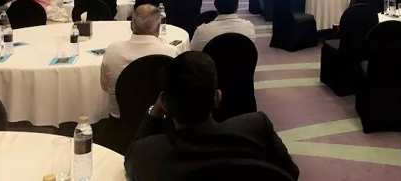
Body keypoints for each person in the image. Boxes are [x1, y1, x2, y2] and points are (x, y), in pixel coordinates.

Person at [124, 51, 299, 181]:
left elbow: (131, 162)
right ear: (217, 97)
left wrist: (154, 113)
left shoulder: (147, 154)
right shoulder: (257, 125)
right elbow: (291, 172)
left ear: (165, 103)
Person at [101, 5, 176, 118]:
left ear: (131, 25)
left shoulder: (112, 50)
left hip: (120, 119)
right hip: (160, 119)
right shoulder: (170, 52)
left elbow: (105, 86)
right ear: (159, 27)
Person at [191, 0, 255, 51]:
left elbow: (192, 52)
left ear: (215, 4)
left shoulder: (202, 32)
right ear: (237, 5)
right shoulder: (249, 27)